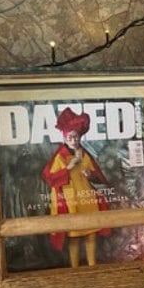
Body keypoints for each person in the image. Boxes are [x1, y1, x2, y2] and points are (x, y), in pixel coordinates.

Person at [41, 107, 110, 267]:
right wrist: (68, 167)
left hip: (87, 197)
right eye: (70, 137)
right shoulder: (60, 156)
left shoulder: (84, 154)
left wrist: (90, 174)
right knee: (75, 235)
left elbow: (98, 176)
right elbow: (50, 178)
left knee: (91, 232)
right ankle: (75, 269)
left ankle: (92, 266)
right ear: (65, 138)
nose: (73, 140)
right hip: (71, 200)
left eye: (76, 137)